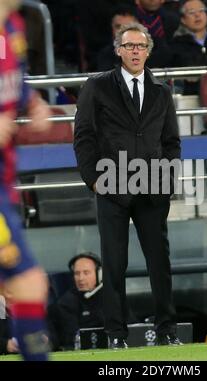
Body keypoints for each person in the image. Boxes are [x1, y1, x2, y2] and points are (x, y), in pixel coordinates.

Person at [74, 22, 181, 349]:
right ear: (118, 50)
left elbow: (172, 142)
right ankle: (116, 337)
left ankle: (168, 332)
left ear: (148, 51)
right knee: (115, 265)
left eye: (141, 46)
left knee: (159, 264)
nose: (135, 51)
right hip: (112, 186)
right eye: (129, 46)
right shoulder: (97, 86)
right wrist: (93, 179)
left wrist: (167, 178)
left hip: (152, 188)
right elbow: (84, 136)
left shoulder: (162, 92)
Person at [0, 0, 51, 361]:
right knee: (29, 284)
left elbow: (13, 80)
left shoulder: (14, 25)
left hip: (3, 182)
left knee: (27, 286)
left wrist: (32, 101)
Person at [48, 252, 106, 350]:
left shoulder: (111, 298)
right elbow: (69, 337)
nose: (81, 278)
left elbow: (132, 327)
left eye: (86, 273)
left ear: (99, 274)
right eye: (77, 273)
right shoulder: (65, 303)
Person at [171, 0, 207, 94]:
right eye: (191, 12)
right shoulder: (175, 45)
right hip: (191, 97)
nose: (197, 15)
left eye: (201, 11)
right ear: (183, 20)